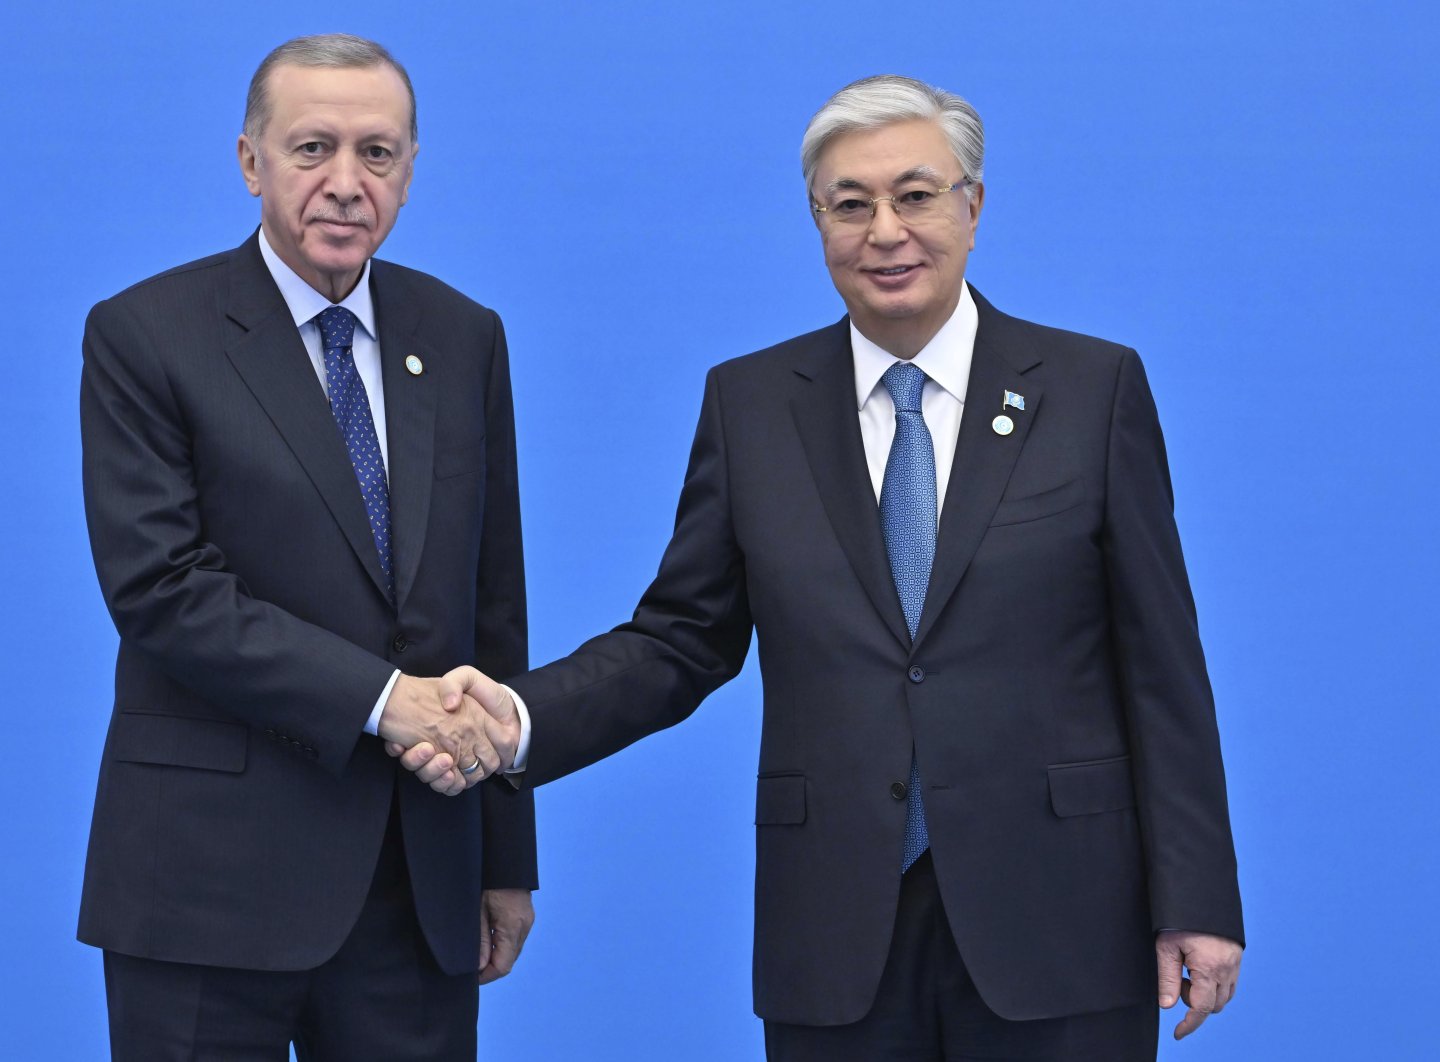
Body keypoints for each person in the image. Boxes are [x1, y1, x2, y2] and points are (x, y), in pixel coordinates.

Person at [399, 75, 1244, 1059]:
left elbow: (1162, 668)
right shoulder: (752, 404)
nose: (884, 229)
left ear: (974, 207)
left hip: (1060, 914)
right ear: (817, 224)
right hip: (836, 926)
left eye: (916, 195)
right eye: (849, 205)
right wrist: (516, 720)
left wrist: (1198, 901)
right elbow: (679, 640)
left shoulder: (1092, 389)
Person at [77, 33, 534, 1061]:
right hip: (206, 884)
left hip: (415, 882)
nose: (343, 183)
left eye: (377, 154)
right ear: (250, 162)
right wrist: (387, 701)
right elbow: (163, 590)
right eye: (311, 148)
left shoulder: (465, 336)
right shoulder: (146, 333)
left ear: (411, 173)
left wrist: (503, 856)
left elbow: (491, 605)